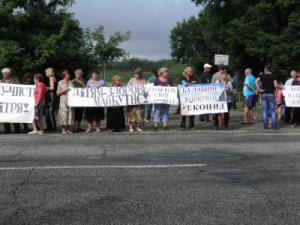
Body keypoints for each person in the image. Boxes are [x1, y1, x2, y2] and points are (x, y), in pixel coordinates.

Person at [255, 65, 278, 129]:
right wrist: (276, 92)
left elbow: (256, 81)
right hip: (271, 94)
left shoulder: (261, 76)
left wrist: (259, 89)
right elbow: (275, 85)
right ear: (271, 70)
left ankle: (265, 126)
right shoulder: (273, 76)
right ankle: (273, 126)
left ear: (265, 69)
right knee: (272, 110)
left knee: (264, 110)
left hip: (264, 94)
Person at [0, 68, 21, 133]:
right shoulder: (1, 81)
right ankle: (7, 129)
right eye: (3, 74)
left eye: (5, 73)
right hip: (5, 101)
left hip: (14, 101)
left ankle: (17, 129)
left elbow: (19, 89)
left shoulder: (15, 81)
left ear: (8, 74)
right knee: (6, 115)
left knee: (15, 115)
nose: (3, 75)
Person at [126, 68, 146, 132]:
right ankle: (131, 126)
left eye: (137, 73)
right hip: (132, 100)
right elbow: (127, 88)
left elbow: (146, 89)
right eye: (135, 73)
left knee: (138, 114)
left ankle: (137, 126)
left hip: (140, 101)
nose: (136, 75)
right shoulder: (131, 80)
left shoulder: (143, 81)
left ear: (140, 74)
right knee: (131, 113)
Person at [57, 70, 74, 134]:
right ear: (64, 75)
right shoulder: (60, 82)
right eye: (67, 74)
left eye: (69, 74)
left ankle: (69, 129)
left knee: (71, 114)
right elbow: (57, 93)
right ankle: (63, 129)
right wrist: (65, 90)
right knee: (64, 114)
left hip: (71, 100)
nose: (68, 75)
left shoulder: (71, 82)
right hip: (63, 100)